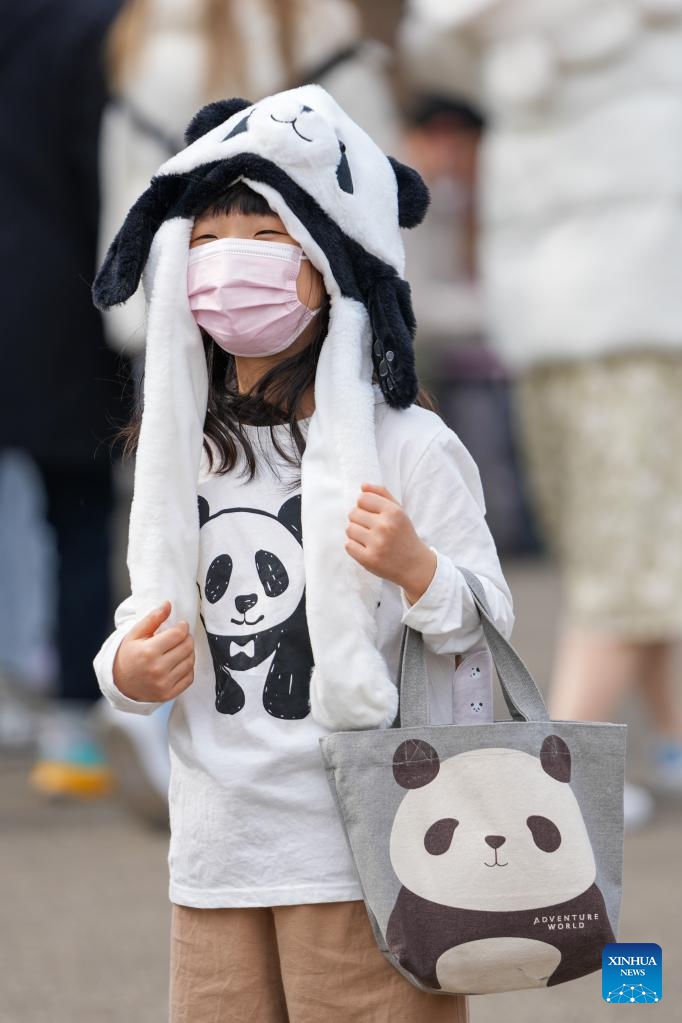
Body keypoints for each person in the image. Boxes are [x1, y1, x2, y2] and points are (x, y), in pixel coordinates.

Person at [92, 85, 512, 1021]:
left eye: (267, 237)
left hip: (372, 849)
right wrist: (126, 669)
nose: (227, 264)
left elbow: (490, 619)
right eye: (202, 242)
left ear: (333, 262)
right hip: (216, 856)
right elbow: (140, 624)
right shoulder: (180, 452)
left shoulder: (408, 446)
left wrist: (417, 569)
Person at [93, 0, 403, 822]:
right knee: (304, 500)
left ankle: (168, 704)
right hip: (310, 314)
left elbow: (124, 174)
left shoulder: (140, 32)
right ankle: (275, 713)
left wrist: (142, 301)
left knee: (175, 520)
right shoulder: (309, 26)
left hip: (170, 309)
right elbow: (363, 175)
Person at [401, 0, 682, 827]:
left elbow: (436, 42)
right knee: (629, 560)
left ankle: (656, 740)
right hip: (645, 303)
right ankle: (550, 775)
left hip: (548, 313)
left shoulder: (486, 33)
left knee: (629, 554)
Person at [0, 0, 131, 797]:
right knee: (79, 519)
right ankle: (73, 729)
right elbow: (106, 173)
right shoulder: (98, 27)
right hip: (62, 302)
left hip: (51, 299)